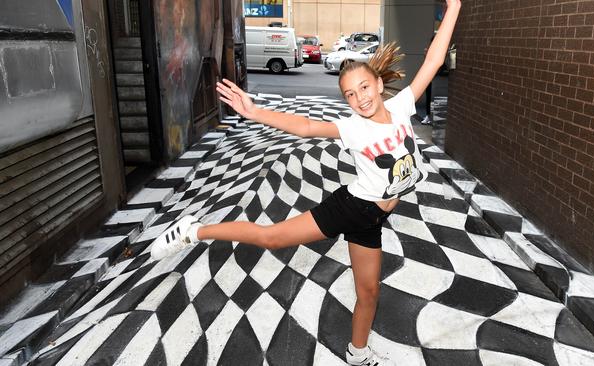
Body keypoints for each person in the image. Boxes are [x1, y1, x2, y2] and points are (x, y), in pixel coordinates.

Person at [150, 1, 461, 364]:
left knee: (369, 291)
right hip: (351, 208)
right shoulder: (352, 127)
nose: (360, 98)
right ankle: (194, 231)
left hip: (374, 218)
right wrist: (254, 112)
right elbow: (307, 127)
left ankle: (357, 353)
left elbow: (435, 60)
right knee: (272, 238)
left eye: (364, 87)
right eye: (350, 94)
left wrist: (454, 6)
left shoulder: (403, 106)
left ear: (378, 84)